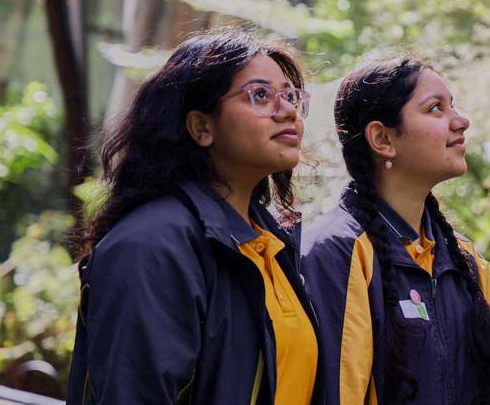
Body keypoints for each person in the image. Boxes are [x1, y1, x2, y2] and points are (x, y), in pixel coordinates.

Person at [67, 29, 322, 405]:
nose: (287, 111)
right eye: (261, 95)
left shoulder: (269, 244)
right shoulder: (152, 246)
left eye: (290, 96)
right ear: (202, 127)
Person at [301, 56, 490, 404]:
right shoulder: (338, 253)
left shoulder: (465, 261)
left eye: (452, 105)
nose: (461, 121)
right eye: (435, 108)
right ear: (382, 139)